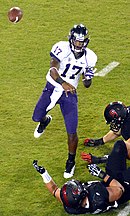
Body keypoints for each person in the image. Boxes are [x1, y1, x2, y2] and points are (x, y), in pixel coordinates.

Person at [32, 24, 97, 178]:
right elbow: (53, 69)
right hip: (53, 87)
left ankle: (71, 161)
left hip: (70, 94)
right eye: (77, 41)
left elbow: (87, 85)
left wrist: (88, 78)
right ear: (71, 39)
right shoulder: (61, 48)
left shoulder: (90, 57)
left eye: (82, 42)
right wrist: (63, 83)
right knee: (36, 117)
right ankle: (44, 120)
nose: (79, 44)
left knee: (72, 131)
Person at [32, 139, 130, 214]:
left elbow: (54, 190)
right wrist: (101, 174)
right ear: (82, 195)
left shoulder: (70, 204)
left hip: (108, 183)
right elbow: (119, 189)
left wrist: (44, 173)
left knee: (119, 145)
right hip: (122, 187)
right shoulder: (97, 197)